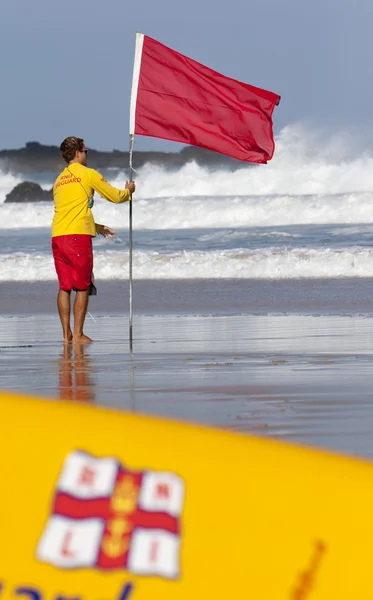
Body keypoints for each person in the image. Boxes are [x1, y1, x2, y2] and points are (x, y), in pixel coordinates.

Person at [52, 136, 135, 344]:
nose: (87, 154)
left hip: (58, 236)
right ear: (78, 153)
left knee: (64, 287)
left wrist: (97, 228)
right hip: (77, 238)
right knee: (82, 286)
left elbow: (70, 212)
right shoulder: (88, 174)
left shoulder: (59, 180)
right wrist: (129, 191)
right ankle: (78, 335)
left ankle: (66, 336)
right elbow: (114, 196)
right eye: (85, 151)